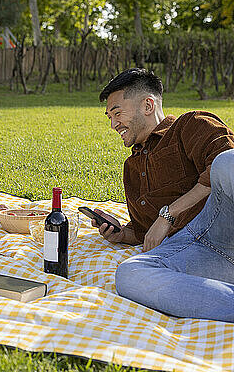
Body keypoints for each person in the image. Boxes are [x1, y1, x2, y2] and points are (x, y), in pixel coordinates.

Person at [93, 68, 234, 322]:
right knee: (130, 273)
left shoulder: (189, 124)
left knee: (228, 161)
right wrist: (121, 233)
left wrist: (168, 215)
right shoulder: (132, 168)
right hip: (192, 254)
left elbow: (225, 162)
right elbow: (145, 230)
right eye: (109, 118)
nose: (114, 125)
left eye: (117, 113)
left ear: (147, 105)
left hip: (223, 223)